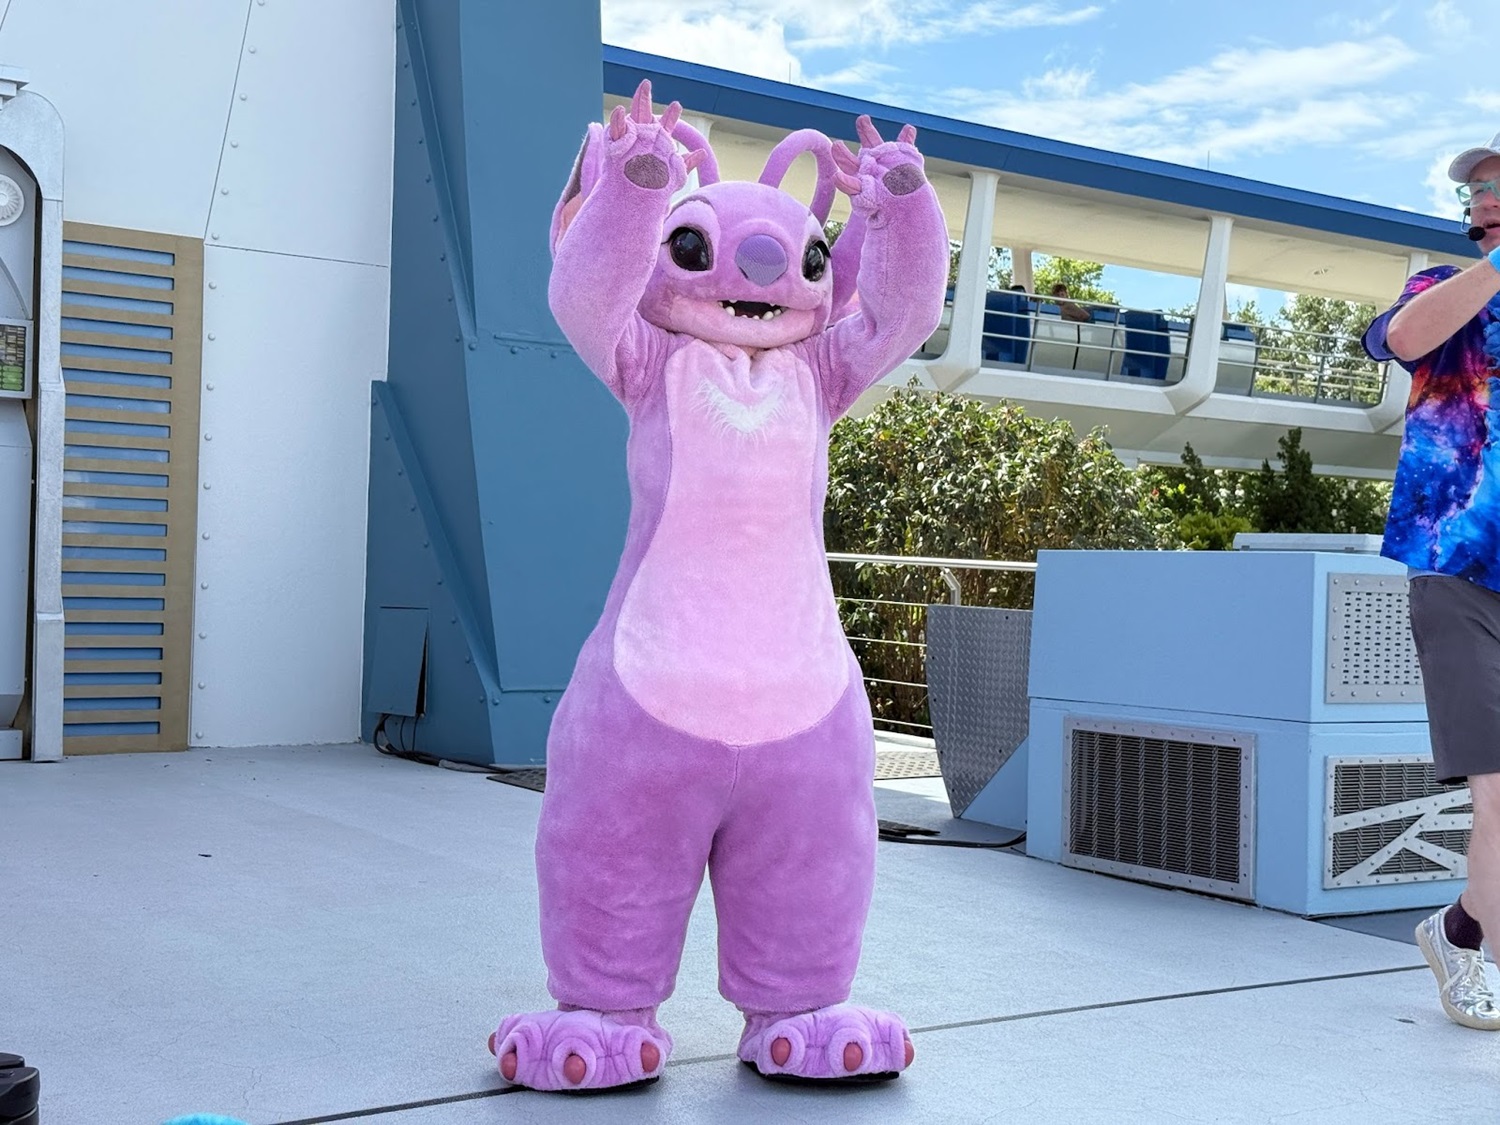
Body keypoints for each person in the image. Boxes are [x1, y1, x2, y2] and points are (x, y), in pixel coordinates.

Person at [1362, 129, 1500, 1031]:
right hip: (1457, 564)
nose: (1484, 196)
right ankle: (1479, 957)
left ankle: (1458, 931)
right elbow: (1403, 337)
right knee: (1499, 788)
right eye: (1476, 188)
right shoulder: (1439, 289)